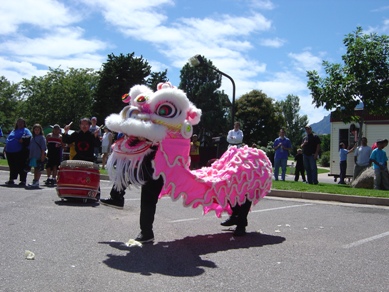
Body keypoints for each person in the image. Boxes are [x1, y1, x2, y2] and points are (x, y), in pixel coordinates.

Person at [100, 146, 164, 243]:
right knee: (126, 172)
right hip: (147, 166)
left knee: (148, 200)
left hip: (159, 168)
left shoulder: (165, 135)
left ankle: (146, 233)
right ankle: (116, 197)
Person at [220, 122, 250, 236]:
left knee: (245, 196)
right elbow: (230, 140)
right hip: (233, 178)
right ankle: (235, 216)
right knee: (229, 192)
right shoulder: (228, 157)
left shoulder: (243, 157)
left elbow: (237, 140)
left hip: (244, 183)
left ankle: (241, 222)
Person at [4, 118, 32, 186]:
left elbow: (29, 136)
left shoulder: (25, 130)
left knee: (21, 166)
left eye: (22, 122)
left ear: (24, 124)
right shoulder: (14, 130)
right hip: (10, 151)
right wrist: (5, 147)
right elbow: (9, 139)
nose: (20, 124)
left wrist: (23, 139)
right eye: (19, 122)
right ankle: (11, 179)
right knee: (12, 166)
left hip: (20, 152)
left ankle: (23, 181)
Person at [27, 124, 47, 188]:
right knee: (35, 168)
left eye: (38, 130)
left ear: (40, 130)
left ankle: (37, 181)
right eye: (35, 130)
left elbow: (43, 148)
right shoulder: (33, 137)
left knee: (38, 168)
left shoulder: (42, 137)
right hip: (33, 155)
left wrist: (42, 156)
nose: (37, 131)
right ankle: (34, 180)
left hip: (39, 155)